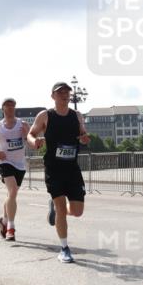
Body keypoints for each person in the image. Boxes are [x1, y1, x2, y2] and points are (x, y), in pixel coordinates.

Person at [27, 82, 90, 263]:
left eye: (67, 92)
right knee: (62, 207)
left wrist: (85, 138)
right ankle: (64, 248)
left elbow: (83, 135)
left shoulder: (77, 116)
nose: (64, 94)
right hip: (54, 169)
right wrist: (34, 142)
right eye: (60, 92)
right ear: (53, 96)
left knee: (77, 212)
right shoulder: (46, 115)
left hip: (72, 169)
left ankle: (55, 210)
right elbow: (31, 134)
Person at [0, 97, 31, 241]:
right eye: (8, 105)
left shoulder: (22, 124)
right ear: (3, 108)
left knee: (12, 195)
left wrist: (26, 136)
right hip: (5, 163)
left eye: (13, 105)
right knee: (13, 191)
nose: (10, 108)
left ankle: (3, 221)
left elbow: (30, 139)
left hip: (20, 164)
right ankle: (10, 228)